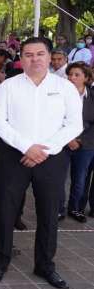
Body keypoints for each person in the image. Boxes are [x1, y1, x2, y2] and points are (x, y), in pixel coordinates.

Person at [0, 37, 82, 289]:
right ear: (21, 58)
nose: (34, 59)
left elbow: (74, 124)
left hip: (52, 159)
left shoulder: (64, 87)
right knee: (6, 212)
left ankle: (45, 265)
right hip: (14, 156)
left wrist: (45, 149)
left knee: (49, 214)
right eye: (28, 54)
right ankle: (0, 262)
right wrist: (27, 146)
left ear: (50, 57)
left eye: (40, 54)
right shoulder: (9, 86)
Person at [63, 63, 94, 223]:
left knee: (80, 178)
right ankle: (59, 209)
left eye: (77, 75)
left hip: (85, 144)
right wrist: (68, 139)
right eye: (70, 74)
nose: (72, 78)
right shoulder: (60, 94)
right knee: (59, 178)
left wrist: (79, 140)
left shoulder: (92, 95)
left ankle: (75, 208)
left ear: (86, 78)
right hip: (61, 142)